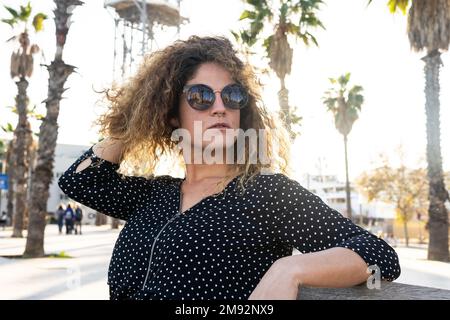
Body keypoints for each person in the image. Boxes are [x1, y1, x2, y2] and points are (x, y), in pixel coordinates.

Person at [58, 36, 401, 300]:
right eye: (201, 97)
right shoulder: (155, 195)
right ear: (171, 112)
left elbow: (379, 258)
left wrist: (291, 268)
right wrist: (134, 120)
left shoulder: (268, 194)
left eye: (232, 96)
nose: (219, 107)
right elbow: (80, 180)